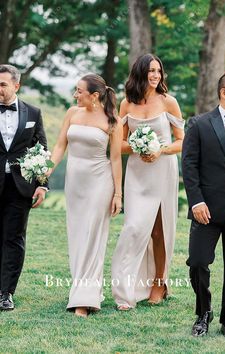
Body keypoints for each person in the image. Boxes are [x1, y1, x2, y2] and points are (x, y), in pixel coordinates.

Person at [111, 53, 184, 310]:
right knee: (134, 227)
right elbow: (118, 144)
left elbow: (181, 141)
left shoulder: (169, 102)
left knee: (158, 230)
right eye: (151, 71)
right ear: (140, 73)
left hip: (163, 170)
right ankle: (126, 286)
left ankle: (158, 283)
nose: (156, 76)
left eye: (158, 71)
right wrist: (138, 147)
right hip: (138, 174)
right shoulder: (126, 105)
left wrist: (159, 149)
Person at [49, 74, 122, 317]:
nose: (75, 95)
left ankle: (83, 300)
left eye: (79, 91)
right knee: (78, 237)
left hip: (100, 183)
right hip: (75, 183)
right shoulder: (72, 113)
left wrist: (118, 195)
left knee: (93, 238)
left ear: (95, 96)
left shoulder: (113, 120)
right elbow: (60, 145)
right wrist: (46, 168)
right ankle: (89, 290)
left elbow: (115, 160)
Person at [182, 71, 225, 339]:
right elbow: (189, 166)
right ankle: (203, 312)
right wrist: (197, 201)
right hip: (207, 209)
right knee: (198, 262)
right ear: (224, 93)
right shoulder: (199, 124)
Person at [0, 64, 48, 311]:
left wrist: (42, 185)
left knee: (14, 239)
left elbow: (41, 149)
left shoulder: (33, 113)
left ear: (16, 86)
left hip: (20, 187)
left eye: (3, 84)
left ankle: (6, 292)